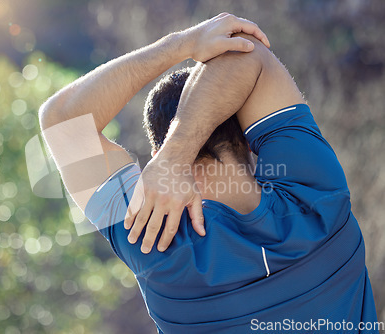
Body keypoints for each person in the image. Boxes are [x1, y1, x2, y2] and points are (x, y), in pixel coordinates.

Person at [39, 13, 379, 333]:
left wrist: (179, 45)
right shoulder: (317, 196)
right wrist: (178, 153)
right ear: (249, 142)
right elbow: (246, 52)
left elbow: (62, 121)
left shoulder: (153, 243)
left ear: (153, 156)